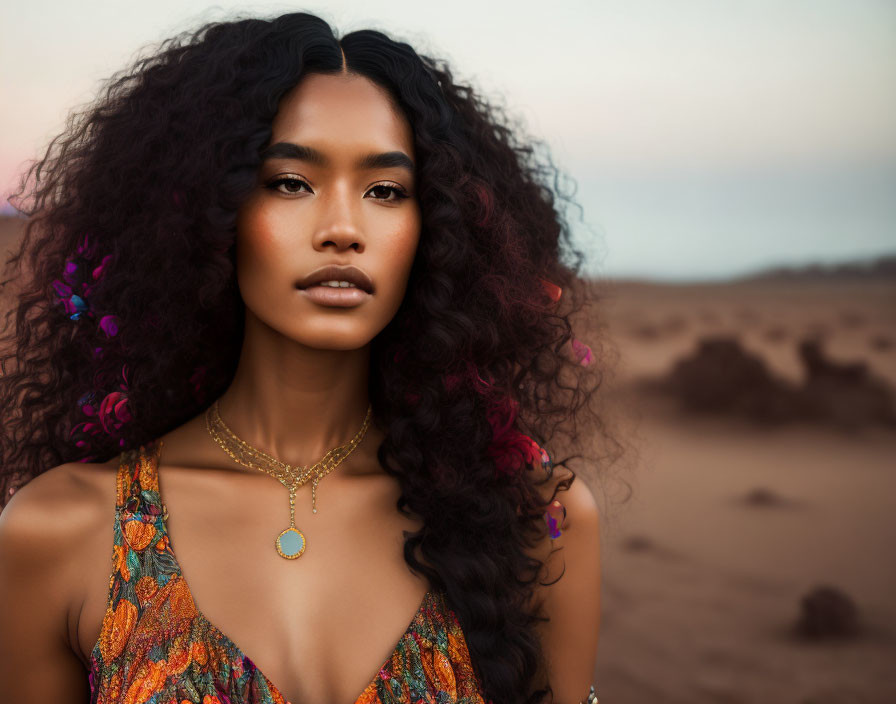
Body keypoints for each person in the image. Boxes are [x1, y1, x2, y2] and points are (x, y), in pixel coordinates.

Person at [0, 11, 605, 703]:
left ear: (437, 226)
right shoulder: (66, 529)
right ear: (204, 208)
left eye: (385, 191)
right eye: (291, 182)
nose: (343, 228)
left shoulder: (533, 520)